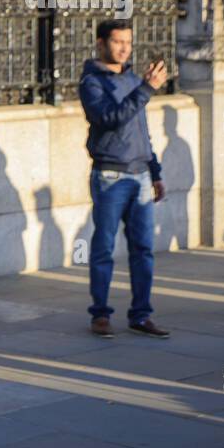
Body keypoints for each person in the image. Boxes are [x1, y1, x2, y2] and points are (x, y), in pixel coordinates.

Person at [79, 19, 169, 338]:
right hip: (110, 175)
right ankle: (100, 314)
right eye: (118, 42)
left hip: (141, 175)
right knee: (104, 246)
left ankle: (141, 314)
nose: (124, 48)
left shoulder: (133, 79)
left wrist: (155, 172)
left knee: (143, 249)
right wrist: (146, 89)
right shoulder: (92, 82)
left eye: (128, 42)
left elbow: (141, 132)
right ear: (101, 43)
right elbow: (110, 119)